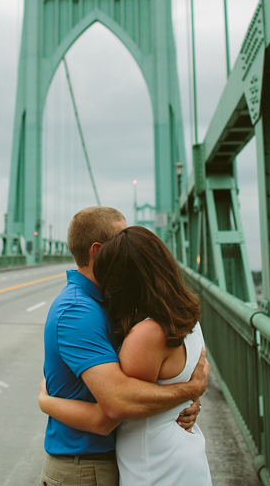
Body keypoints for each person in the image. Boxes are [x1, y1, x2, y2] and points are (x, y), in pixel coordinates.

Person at [40, 207, 208, 486]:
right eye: (122, 238)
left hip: (115, 461)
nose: (129, 243)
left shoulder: (112, 302)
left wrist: (189, 397)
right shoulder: (78, 311)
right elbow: (116, 406)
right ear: (97, 250)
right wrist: (188, 390)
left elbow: (165, 369)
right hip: (85, 467)